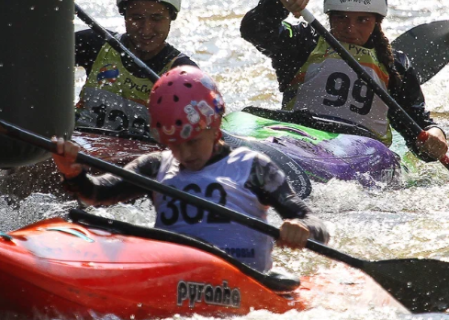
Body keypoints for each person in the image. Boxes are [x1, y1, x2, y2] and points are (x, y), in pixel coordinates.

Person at [52, 66, 329, 273]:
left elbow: (315, 224)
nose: (183, 154)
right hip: (173, 278)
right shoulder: (155, 166)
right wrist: (73, 172)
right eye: (173, 144)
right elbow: (96, 194)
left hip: (243, 283)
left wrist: (301, 227)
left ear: (215, 125)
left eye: (192, 142)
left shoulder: (254, 168)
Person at [240, 0, 448, 163]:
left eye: (362, 20)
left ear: (377, 21)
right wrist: (278, 3)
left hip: (362, 153)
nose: (350, 28)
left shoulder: (395, 66)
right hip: (300, 139)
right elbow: (253, 29)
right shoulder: (304, 44)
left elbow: (419, 130)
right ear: (329, 16)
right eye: (341, 18)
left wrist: (435, 135)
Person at [75, 0, 197, 135]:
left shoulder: (183, 74)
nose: (146, 29)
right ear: (124, 15)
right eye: (136, 18)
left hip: (140, 160)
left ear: (172, 17)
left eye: (156, 18)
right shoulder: (95, 44)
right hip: (80, 151)